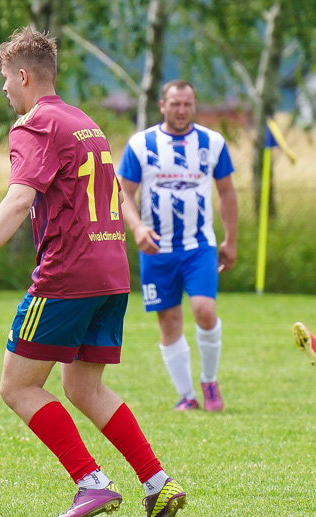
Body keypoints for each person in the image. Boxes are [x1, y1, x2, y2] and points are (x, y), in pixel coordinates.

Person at [0, 27, 186, 517]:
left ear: (23, 76)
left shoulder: (35, 124)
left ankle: (91, 483)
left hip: (67, 274)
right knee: (83, 386)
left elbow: (20, 197)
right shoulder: (85, 122)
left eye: (4, 80)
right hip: (111, 270)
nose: (3, 90)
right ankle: (157, 483)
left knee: (16, 386)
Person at [117, 80, 239, 412]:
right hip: (156, 249)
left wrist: (230, 240)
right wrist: (138, 227)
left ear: (195, 106)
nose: (181, 110)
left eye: (187, 104)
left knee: (204, 310)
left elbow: (227, 193)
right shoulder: (141, 145)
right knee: (169, 320)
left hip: (199, 245)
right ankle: (187, 396)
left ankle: (210, 381)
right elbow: (123, 192)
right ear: (162, 105)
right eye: (175, 104)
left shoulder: (212, 143)